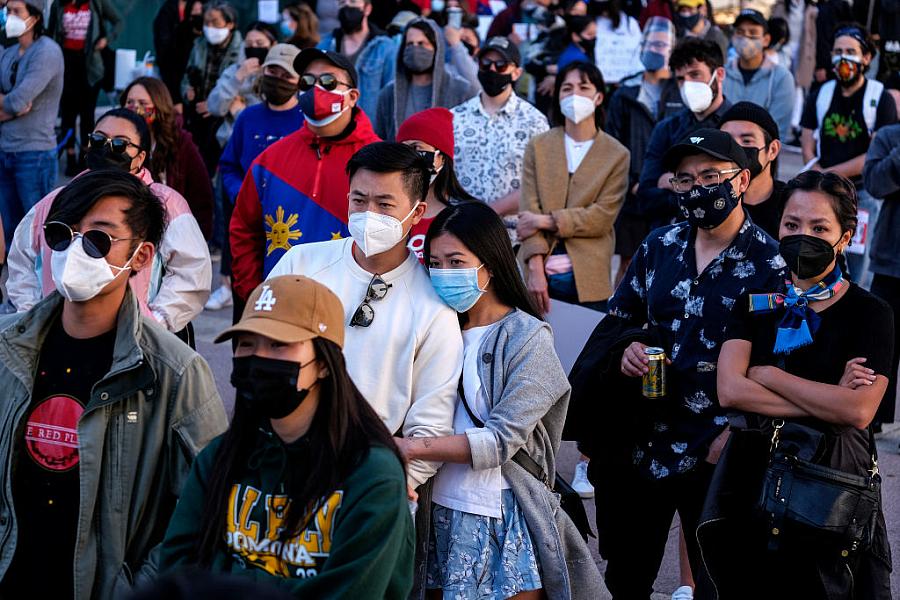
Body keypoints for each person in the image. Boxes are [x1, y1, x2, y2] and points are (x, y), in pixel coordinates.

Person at [0, 169, 227, 598]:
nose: (74, 251)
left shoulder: (176, 373)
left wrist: (139, 588)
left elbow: (209, 506)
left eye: (98, 239)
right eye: (61, 234)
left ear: (141, 257)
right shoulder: (6, 347)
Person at [579, 129, 786, 599]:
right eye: (684, 180)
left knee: (720, 580)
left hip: (718, 448)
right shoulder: (658, 246)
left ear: (741, 181)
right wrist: (626, 350)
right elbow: (619, 320)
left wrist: (737, 433)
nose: (697, 189)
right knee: (626, 576)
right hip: (644, 442)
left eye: (711, 176)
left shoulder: (772, 264)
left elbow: (781, 362)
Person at [159, 275, 414, 597]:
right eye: (247, 344)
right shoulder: (221, 456)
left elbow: (350, 592)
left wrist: (227, 581)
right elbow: (177, 568)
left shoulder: (371, 474)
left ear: (323, 363)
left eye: (279, 344)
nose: (258, 358)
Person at [396, 200, 602, 598]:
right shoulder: (433, 329)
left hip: (500, 514)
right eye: (434, 263)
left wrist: (411, 448)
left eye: (456, 262)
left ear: (489, 263)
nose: (443, 274)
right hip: (435, 512)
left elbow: (501, 441)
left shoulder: (527, 337)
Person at [703, 170, 893, 598]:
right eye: (792, 225)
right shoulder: (755, 301)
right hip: (750, 475)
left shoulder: (871, 313)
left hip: (829, 483)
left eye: (819, 228)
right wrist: (829, 397)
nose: (802, 235)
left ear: (845, 236)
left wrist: (769, 376)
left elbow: (859, 412)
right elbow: (730, 390)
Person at [266, 142, 461, 495]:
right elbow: (257, 355)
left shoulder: (433, 308)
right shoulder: (301, 265)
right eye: (359, 200)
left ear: (417, 213)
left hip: (365, 482)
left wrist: (393, 487)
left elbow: (431, 423)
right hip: (279, 462)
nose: (368, 213)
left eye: (385, 204)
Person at [6, 108, 212, 338]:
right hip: (58, 333)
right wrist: (35, 314)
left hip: (134, 338)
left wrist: (155, 322)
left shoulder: (166, 205)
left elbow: (191, 272)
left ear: (141, 157)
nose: (107, 148)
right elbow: (21, 261)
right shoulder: (54, 201)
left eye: (120, 144)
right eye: (98, 139)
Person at [229, 48, 379, 319]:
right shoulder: (269, 161)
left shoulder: (381, 163)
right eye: (307, 82)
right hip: (276, 308)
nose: (316, 90)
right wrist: (254, 291)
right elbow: (243, 230)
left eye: (329, 82)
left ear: (353, 96)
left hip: (350, 316)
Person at [519, 60, 628, 316]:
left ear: (599, 96)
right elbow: (527, 213)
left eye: (583, 87)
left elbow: (601, 217)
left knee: (585, 351)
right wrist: (534, 268)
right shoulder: (538, 146)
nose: (575, 95)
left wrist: (545, 221)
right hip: (541, 275)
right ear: (557, 96)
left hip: (590, 277)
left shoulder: (616, 154)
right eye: (566, 88)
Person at [210, 43, 304, 311]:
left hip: (289, 228)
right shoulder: (248, 118)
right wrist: (240, 193)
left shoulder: (306, 121)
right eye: (272, 72)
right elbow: (228, 165)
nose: (278, 80)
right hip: (249, 226)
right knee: (246, 301)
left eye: (286, 75)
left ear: (299, 82)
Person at [800, 23, 897, 282]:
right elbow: (807, 137)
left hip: (861, 194)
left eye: (851, 51)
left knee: (856, 263)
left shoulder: (880, 97)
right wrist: (813, 167)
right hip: (825, 191)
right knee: (820, 254)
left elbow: (875, 154)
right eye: (838, 51)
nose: (843, 58)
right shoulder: (822, 93)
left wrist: (827, 173)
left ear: (866, 58)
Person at [606, 16, 681, 285]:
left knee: (667, 265)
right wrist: (632, 183)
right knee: (629, 265)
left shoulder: (680, 92)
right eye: (650, 43)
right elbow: (611, 145)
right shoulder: (625, 93)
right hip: (633, 199)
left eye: (662, 45)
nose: (655, 49)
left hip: (668, 196)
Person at [452, 36, 549, 228]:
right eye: (486, 63)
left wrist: (492, 211)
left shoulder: (534, 121)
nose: (492, 70)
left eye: (501, 65)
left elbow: (542, 180)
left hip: (511, 236)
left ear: (516, 72)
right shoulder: (454, 117)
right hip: (460, 230)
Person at [638, 38, 730, 228]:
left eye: (695, 74)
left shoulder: (737, 127)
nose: (687, 85)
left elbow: (735, 197)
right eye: (681, 79)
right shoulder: (666, 129)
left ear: (719, 74)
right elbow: (646, 198)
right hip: (672, 238)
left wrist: (675, 182)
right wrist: (706, 186)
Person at [0, 0, 64, 253]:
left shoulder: (47, 52)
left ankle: (39, 290)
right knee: (11, 232)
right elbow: (16, 103)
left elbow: (17, 101)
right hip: (6, 152)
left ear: (35, 17)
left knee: (36, 235)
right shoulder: (10, 52)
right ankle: (16, 292)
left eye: (17, 12)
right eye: (8, 11)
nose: (10, 16)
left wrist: (12, 101)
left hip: (33, 155)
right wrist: (12, 102)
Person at [122, 76, 215, 239]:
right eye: (130, 102)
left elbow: (201, 195)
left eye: (143, 104)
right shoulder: (115, 142)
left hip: (172, 237)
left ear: (159, 106)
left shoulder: (180, 143)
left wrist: (198, 239)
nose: (135, 108)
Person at [49, 0, 121, 177]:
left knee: (87, 114)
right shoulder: (58, 4)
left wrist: (106, 39)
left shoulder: (96, 3)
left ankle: (85, 157)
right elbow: (50, 33)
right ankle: (70, 157)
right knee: (68, 114)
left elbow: (118, 21)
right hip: (65, 63)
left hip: (90, 65)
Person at [374, 18, 478, 140]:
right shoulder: (389, 94)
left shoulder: (461, 91)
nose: (415, 49)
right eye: (410, 44)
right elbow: (380, 140)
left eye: (422, 44)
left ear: (436, 48)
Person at [395, 106, 477, 261]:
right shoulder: (389, 212)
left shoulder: (467, 218)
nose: (408, 157)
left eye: (416, 148)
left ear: (442, 158)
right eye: (402, 149)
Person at [864, 122, 900, 428]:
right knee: (882, 342)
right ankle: (873, 414)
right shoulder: (889, 137)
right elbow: (875, 184)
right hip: (890, 260)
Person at [181, 0, 243, 174]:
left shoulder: (241, 51)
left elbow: (241, 87)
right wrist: (187, 90)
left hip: (222, 118)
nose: (209, 27)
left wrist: (215, 106)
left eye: (215, 22)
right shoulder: (199, 45)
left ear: (230, 24)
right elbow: (186, 75)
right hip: (196, 115)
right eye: (206, 22)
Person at [723, 9, 795, 141]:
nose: (745, 38)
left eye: (753, 32)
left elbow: (777, 130)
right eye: (740, 32)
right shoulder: (722, 75)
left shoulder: (782, 78)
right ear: (733, 37)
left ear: (766, 40)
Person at [317, 0, 397, 117]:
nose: (347, 6)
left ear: (367, 9)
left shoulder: (385, 48)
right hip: (332, 126)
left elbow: (391, 97)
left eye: (353, 2)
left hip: (370, 130)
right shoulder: (325, 46)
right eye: (342, 3)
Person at [718, 101, 785, 239]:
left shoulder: (791, 204)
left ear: (772, 150)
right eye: (727, 141)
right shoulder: (708, 201)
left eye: (747, 141)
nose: (735, 149)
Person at [206, 20, 277, 148]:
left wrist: (240, 112)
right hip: (230, 143)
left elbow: (270, 117)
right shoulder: (234, 70)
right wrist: (238, 78)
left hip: (263, 144)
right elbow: (214, 107)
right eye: (249, 43)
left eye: (259, 43)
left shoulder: (278, 75)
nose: (254, 47)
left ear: (273, 45)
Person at [153, 0, 204, 104]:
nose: (198, 14)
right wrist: (177, 99)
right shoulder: (180, 34)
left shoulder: (207, 38)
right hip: (179, 93)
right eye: (195, 10)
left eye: (201, 10)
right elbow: (170, 65)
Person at [592, 0, 644, 84]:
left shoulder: (629, 23)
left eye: (606, 6)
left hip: (627, 80)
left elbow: (638, 49)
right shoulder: (592, 23)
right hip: (600, 79)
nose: (604, 12)